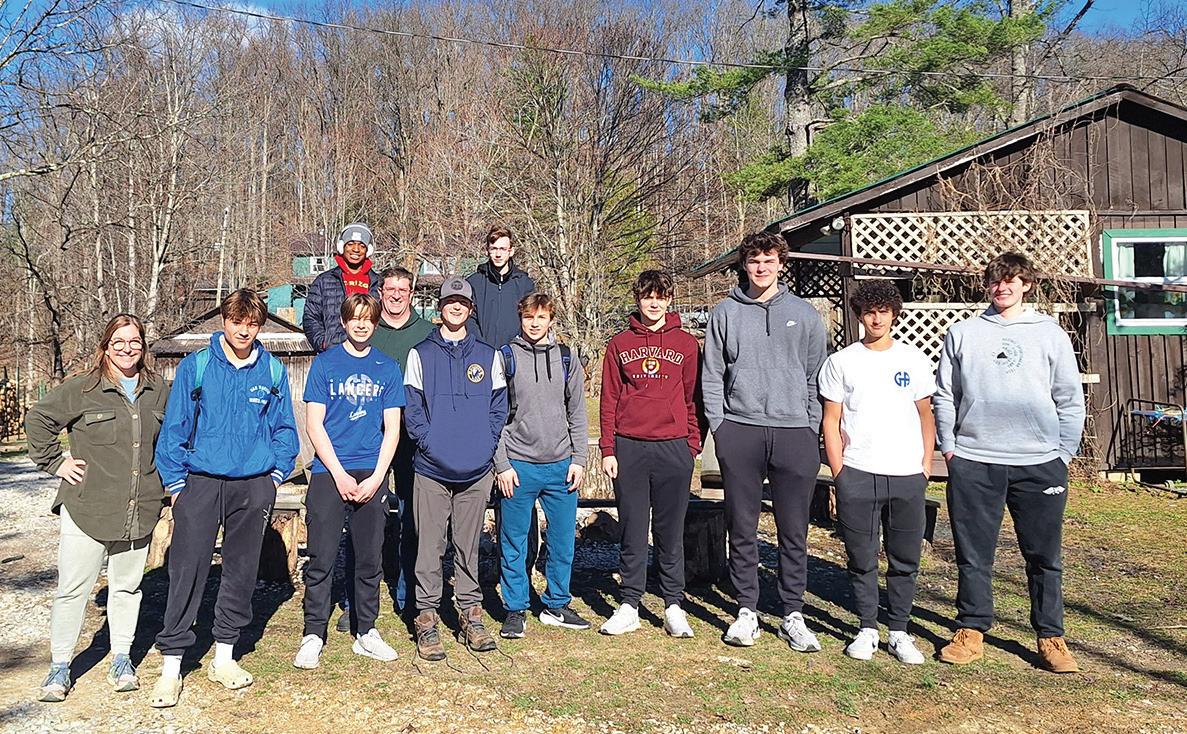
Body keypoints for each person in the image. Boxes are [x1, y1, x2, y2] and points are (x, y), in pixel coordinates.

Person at [934, 252, 1086, 673]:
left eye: (1011, 280)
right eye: (995, 281)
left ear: (1026, 285)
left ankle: (1051, 637)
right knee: (973, 554)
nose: (1002, 288)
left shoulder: (1049, 334)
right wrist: (951, 448)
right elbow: (945, 394)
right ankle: (971, 630)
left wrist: (1063, 453)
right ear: (987, 286)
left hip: (1039, 463)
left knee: (1044, 556)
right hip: (975, 461)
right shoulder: (963, 333)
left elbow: (1070, 397)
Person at [150, 289, 299, 707]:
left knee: (241, 570)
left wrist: (273, 477)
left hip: (252, 485)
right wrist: (176, 485)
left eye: (252, 324)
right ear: (224, 321)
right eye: (237, 322)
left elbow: (285, 429)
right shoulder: (197, 366)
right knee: (187, 569)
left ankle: (224, 657)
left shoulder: (271, 370)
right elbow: (175, 429)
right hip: (200, 483)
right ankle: (172, 666)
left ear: (260, 326)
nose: (244, 331)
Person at [26, 314, 169, 702]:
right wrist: (56, 462)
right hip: (86, 508)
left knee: (128, 587)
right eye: (118, 341)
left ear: (143, 347)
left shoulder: (159, 390)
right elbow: (38, 418)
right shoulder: (82, 388)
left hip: (138, 508)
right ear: (105, 347)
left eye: (134, 341)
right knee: (72, 589)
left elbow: (173, 438)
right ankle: (60, 666)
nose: (127, 348)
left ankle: (121, 658)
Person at [702, 230, 827, 651]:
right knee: (742, 525)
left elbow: (816, 374)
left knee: (794, 529)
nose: (761, 267)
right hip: (741, 429)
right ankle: (746, 611)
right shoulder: (725, 313)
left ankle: (793, 612)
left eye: (769, 260)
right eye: (754, 260)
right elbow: (712, 374)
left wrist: (810, 427)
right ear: (744, 265)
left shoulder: (804, 314)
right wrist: (721, 427)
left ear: (781, 264)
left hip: (794, 432)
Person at [818, 279, 935, 665]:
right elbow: (831, 420)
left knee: (904, 558)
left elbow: (925, 414)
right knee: (862, 557)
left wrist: (924, 465)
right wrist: (840, 472)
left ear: (894, 314)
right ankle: (867, 628)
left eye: (883, 312)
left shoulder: (913, 360)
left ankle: (899, 631)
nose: (876, 319)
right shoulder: (841, 362)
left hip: (906, 475)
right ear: (859, 316)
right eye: (869, 312)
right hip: (858, 472)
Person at [294, 294, 406, 670]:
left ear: (375, 323)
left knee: (369, 557)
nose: (361, 325)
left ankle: (366, 630)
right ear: (344, 322)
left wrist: (378, 477)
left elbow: (393, 429)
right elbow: (314, 424)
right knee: (322, 556)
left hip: (371, 472)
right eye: (354, 318)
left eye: (368, 319)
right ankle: (313, 633)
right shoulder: (326, 364)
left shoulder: (387, 367)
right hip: (330, 471)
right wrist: (339, 473)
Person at [404, 276, 508, 660]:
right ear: (440, 307)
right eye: (450, 302)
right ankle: (426, 618)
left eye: (462, 303)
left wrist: (485, 446)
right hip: (432, 470)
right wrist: (430, 444)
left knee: (469, 546)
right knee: (429, 547)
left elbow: (499, 408)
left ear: (470, 309)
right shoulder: (420, 354)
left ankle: (470, 614)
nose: (456, 307)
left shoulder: (488, 355)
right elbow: (412, 411)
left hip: (476, 470)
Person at [598, 270, 701, 638]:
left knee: (670, 531)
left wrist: (692, 445)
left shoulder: (687, 345)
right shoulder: (619, 344)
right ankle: (630, 604)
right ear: (638, 300)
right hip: (630, 447)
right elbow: (609, 399)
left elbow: (693, 398)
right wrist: (608, 448)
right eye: (647, 297)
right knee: (633, 528)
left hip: (674, 447)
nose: (653, 303)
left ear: (669, 300)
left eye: (659, 297)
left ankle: (673, 604)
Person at [495, 292, 590, 638]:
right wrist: (502, 464)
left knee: (563, 541)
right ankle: (515, 608)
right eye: (528, 317)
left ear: (551, 320)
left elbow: (577, 411)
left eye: (541, 317)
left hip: (561, 465)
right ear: (520, 318)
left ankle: (556, 604)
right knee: (514, 541)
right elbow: (494, 416)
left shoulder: (566, 357)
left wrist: (579, 459)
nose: (534, 324)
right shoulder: (505, 357)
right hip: (518, 466)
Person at [370, 266, 435, 615]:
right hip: (373, 439)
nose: (396, 295)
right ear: (381, 292)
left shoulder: (427, 334)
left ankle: (410, 593)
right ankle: (358, 598)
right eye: (390, 289)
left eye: (402, 289)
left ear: (411, 294)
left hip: (414, 438)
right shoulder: (368, 330)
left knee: (414, 517)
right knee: (368, 517)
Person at [303, 222, 383, 353]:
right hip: (335, 353)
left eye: (362, 245)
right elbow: (310, 317)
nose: (356, 249)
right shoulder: (324, 281)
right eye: (350, 244)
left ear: (368, 250)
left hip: (370, 353)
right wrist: (323, 343)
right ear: (341, 246)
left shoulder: (378, 282)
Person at [466, 225, 536, 350]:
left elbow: (530, 317)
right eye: (494, 249)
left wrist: (518, 346)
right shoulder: (474, 283)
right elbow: (469, 318)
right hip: (481, 351)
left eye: (503, 249)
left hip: (517, 352)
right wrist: (481, 346)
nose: (498, 254)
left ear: (511, 251)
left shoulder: (525, 284)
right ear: (487, 251)